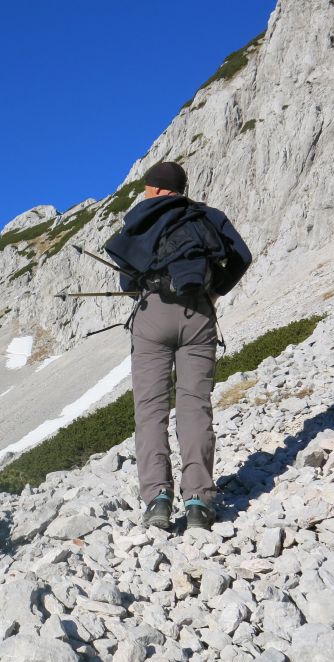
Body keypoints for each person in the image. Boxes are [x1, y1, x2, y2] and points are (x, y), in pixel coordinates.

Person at [104, 161, 251, 530]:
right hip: (198, 315)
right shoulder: (206, 216)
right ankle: (199, 500)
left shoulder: (140, 219)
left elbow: (127, 282)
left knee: (151, 410)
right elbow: (242, 256)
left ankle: (157, 500)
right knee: (194, 406)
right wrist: (215, 291)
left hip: (153, 316)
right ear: (181, 188)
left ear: (154, 188)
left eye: (146, 188)